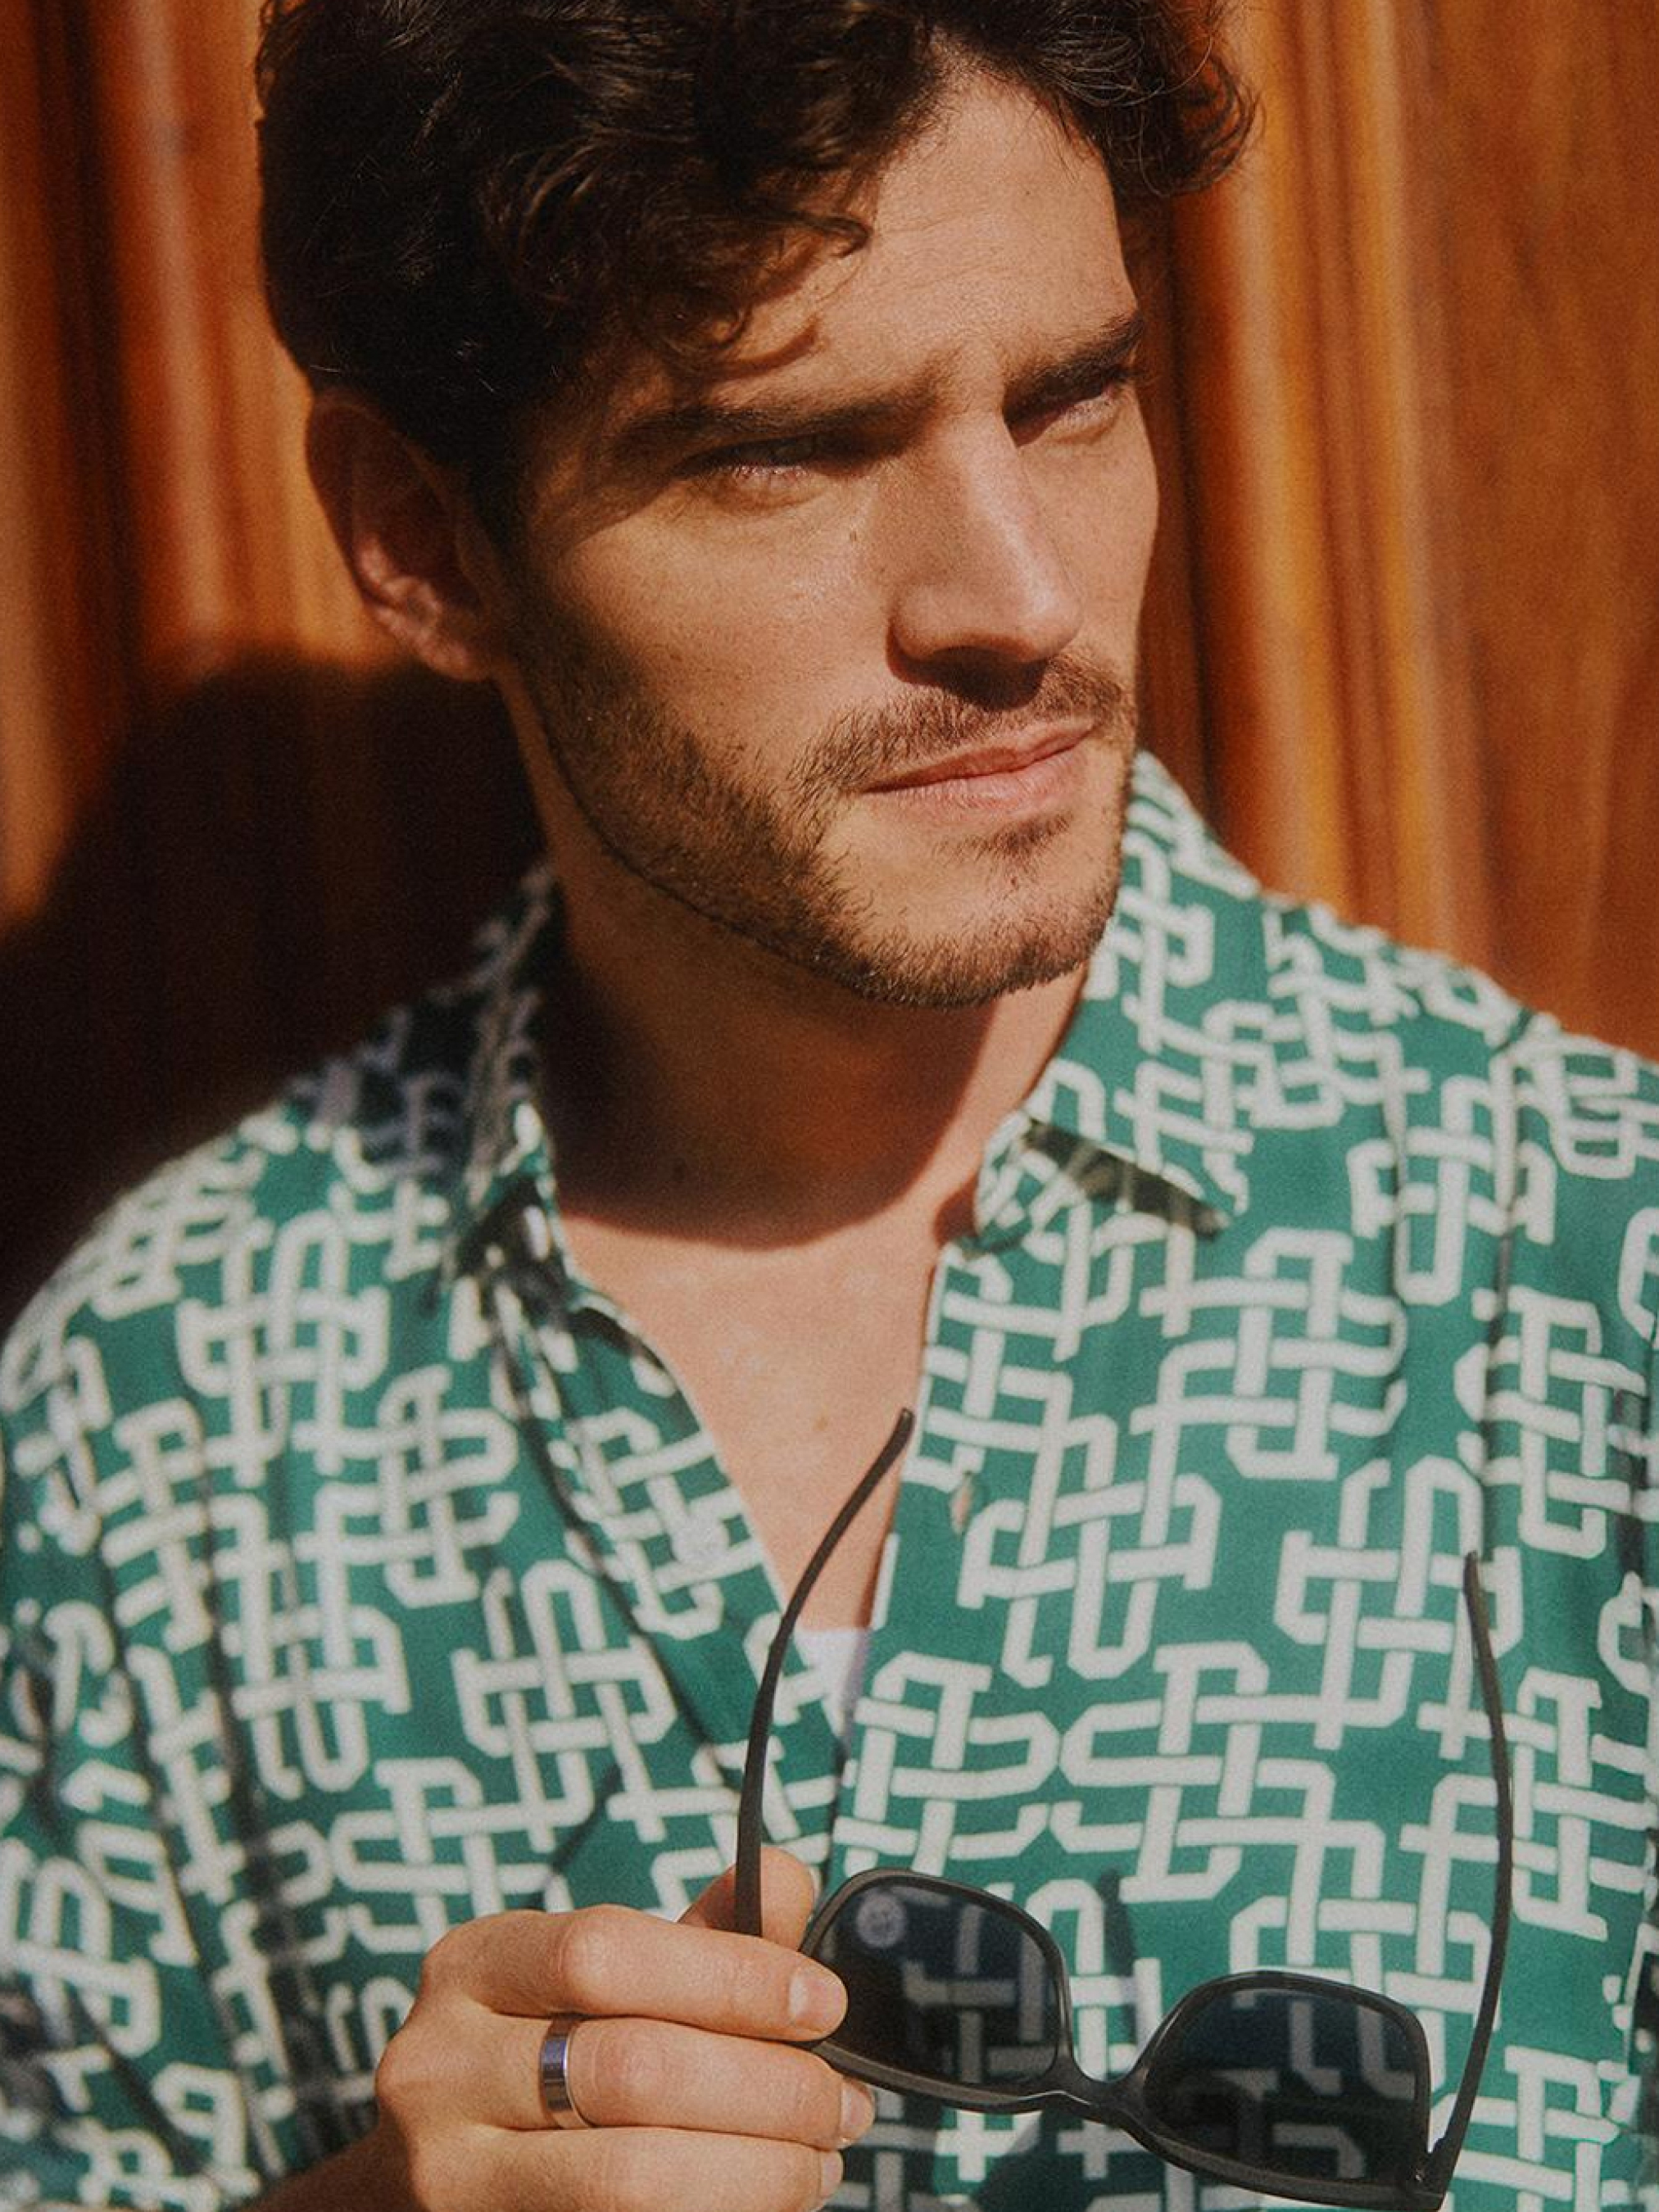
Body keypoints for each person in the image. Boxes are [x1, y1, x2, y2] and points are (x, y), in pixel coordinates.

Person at [2, 2, 1656, 2208]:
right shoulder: (159, 1421)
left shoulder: (1594, 1279)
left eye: (1072, 397)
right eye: (787, 452)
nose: (1018, 600)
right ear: (422, 537)